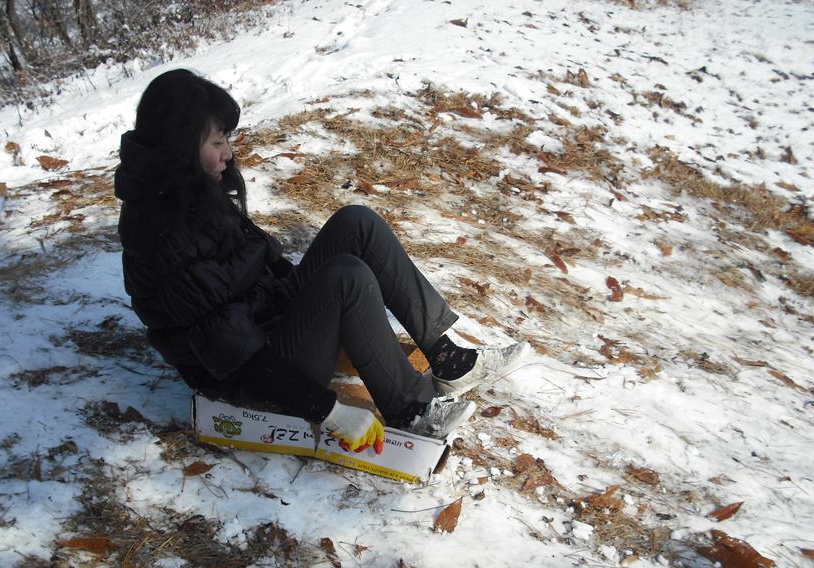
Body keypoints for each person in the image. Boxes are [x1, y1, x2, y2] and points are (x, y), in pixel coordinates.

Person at [114, 69, 525, 455]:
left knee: (356, 223)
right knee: (345, 279)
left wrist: (311, 302)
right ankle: (412, 412)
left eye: (227, 139)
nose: (228, 153)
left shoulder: (192, 187)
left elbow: (258, 263)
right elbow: (228, 346)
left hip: (266, 325)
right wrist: (329, 410)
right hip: (244, 377)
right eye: (217, 142)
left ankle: (447, 358)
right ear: (181, 146)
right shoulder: (160, 232)